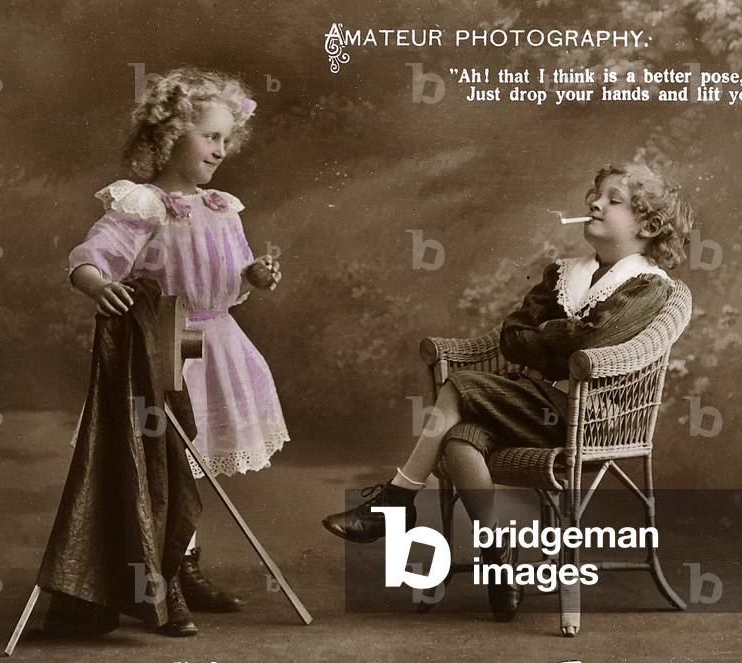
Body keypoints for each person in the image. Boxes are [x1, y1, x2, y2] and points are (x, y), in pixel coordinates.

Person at [322, 162, 694, 621]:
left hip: (589, 415)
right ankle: (496, 557)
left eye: (613, 200)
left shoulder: (648, 286)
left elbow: (592, 341)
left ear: (648, 226)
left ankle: (396, 501)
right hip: (532, 404)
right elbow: (511, 337)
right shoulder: (562, 273)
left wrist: (553, 336)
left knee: (459, 384)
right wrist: (559, 335)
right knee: (461, 439)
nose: (595, 204)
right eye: (594, 196)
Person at [65, 66, 290, 634]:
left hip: (220, 349)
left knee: (196, 466)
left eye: (225, 138)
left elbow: (229, 275)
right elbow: (94, 254)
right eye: (209, 136)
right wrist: (97, 282)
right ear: (168, 139)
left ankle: (186, 566)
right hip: (162, 355)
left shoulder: (221, 207)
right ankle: (161, 582)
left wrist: (256, 275)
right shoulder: (143, 205)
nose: (220, 148)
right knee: (166, 469)